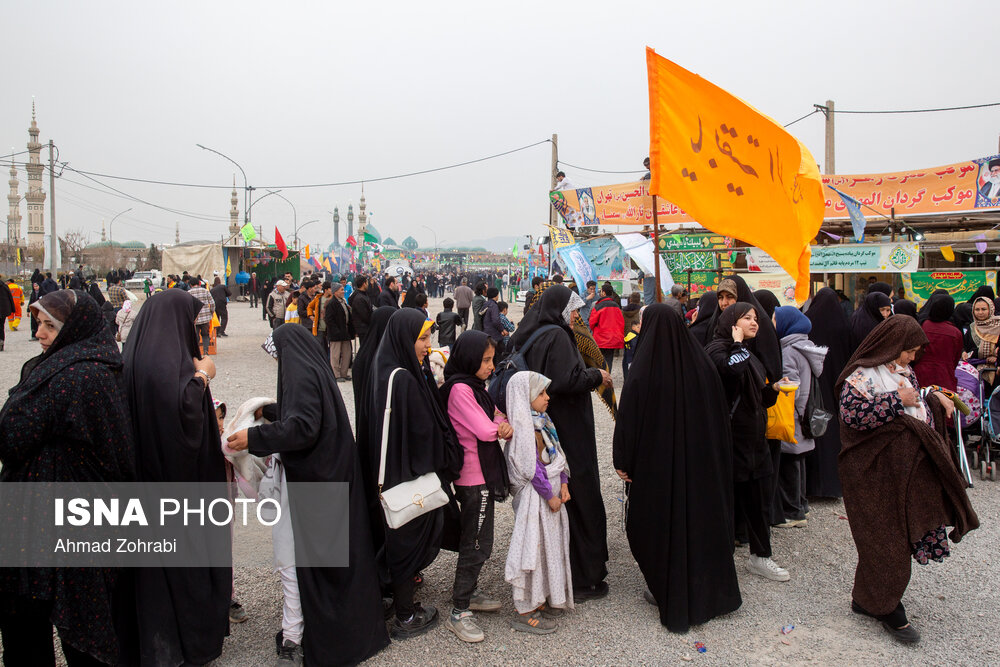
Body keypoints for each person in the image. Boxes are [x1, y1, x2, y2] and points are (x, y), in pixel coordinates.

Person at [226, 325, 390, 665]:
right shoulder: (312, 367)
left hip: (319, 479)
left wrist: (254, 439)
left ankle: (321, 636)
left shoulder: (300, 374)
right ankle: (339, 629)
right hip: (331, 472)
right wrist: (269, 412)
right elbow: (309, 412)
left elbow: (303, 425)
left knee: (315, 562)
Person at [0, 290, 134, 666]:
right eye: (38, 323)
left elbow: (11, 435)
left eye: (49, 325)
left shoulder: (78, 376)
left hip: (60, 523)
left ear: (74, 328)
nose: (39, 333)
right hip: (56, 518)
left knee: (72, 625)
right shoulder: (79, 365)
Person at [836, 315, 979, 644]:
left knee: (889, 537)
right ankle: (888, 609)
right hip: (872, 474)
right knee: (885, 540)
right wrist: (898, 401)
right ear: (893, 346)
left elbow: (914, 402)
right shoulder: (861, 376)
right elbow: (852, 415)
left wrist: (928, 398)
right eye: (910, 351)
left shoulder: (900, 371)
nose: (913, 358)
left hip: (899, 473)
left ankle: (866, 599)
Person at [117, 289, 231, 666]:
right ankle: (189, 642)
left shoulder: (135, 355)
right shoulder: (168, 364)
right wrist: (202, 375)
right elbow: (183, 421)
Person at [613, 304, 742, 632]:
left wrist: (623, 462)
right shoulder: (701, 366)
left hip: (659, 471)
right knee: (701, 525)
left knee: (660, 527)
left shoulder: (643, 371)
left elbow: (627, 421)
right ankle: (711, 592)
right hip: (702, 469)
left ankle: (669, 589)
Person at [512, 285, 612, 600]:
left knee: (558, 495)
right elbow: (566, 380)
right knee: (579, 494)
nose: (576, 316)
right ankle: (583, 575)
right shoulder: (555, 336)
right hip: (567, 428)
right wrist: (596, 375)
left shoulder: (533, 333)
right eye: (573, 309)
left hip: (547, 426)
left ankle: (558, 569)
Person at [368, 309, 462, 639]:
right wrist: (446, 459)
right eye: (422, 338)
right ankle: (406, 616)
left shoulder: (384, 369)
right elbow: (423, 432)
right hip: (410, 475)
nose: (427, 345)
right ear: (405, 339)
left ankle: (388, 598)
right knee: (407, 543)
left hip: (394, 471)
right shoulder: (404, 378)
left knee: (399, 541)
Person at [706, 302, 790, 582]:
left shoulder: (748, 354)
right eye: (747, 318)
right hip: (732, 442)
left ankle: (761, 556)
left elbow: (758, 396)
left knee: (759, 501)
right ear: (731, 323)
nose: (755, 323)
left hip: (755, 442)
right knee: (726, 503)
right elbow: (732, 372)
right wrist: (737, 342)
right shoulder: (718, 349)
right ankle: (719, 560)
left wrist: (774, 389)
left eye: (756, 318)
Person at [439, 331, 512, 643]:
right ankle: (459, 610)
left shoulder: (475, 387)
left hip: (481, 476)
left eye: (492, 359)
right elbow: (486, 429)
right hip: (472, 479)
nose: (491, 366)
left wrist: (500, 423)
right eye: (484, 360)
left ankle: (469, 591)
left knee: (482, 541)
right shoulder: (460, 390)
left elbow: (496, 416)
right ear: (468, 358)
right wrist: (501, 426)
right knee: (477, 543)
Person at [503, 371, 572, 634]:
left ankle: (541, 597)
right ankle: (525, 609)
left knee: (547, 551)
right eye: (541, 393)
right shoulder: (522, 432)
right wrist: (550, 496)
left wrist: (564, 482)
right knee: (531, 548)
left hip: (551, 503)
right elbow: (533, 469)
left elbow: (558, 454)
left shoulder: (544, 423)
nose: (547, 397)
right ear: (525, 397)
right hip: (539, 504)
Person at [774, 306, 827, 528]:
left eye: (776, 319)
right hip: (806, 413)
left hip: (793, 414)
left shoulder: (788, 350)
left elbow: (790, 386)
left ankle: (792, 512)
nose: (773, 323)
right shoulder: (807, 347)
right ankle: (802, 505)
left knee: (789, 464)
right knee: (799, 461)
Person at [803, 287, 852, 498]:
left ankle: (811, 486)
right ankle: (833, 486)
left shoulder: (808, 323)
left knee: (812, 431)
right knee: (832, 434)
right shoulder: (843, 326)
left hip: (812, 390)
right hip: (835, 386)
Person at [913, 293, 962, 392]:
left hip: (921, 374)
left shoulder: (922, 326)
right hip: (945, 376)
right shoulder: (955, 332)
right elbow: (956, 359)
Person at [965, 295, 1000, 390]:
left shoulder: (998, 325)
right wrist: (963, 352)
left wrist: (996, 357)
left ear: (990, 309)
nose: (980, 312)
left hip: (996, 373)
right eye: (977, 309)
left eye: (984, 309)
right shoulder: (972, 327)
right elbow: (965, 346)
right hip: (974, 373)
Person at [589, 283, 624, 372]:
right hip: (613, 338)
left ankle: (601, 380)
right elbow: (621, 323)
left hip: (600, 338)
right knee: (609, 360)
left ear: (603, 293)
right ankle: (607, 379)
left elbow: (592, 323)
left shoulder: (598, 306)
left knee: (599, 361)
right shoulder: (616, 306)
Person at [325, 280, 355, 382]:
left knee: (347, 353)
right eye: (341, 290)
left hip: (345, 332)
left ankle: (344, 373)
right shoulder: (331, 303)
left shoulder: (343, 302)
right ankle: (336, 375)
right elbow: (329, 320)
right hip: (336, 334)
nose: (343, 291)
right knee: (335, 355)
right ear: (335, 292)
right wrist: (336, 331)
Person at [187, 275, 216, 356]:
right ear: (199, 283)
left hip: (194, 319)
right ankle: (206, 351)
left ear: (190, 285)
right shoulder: (205, 291)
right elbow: (212, 303)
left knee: (195, 336)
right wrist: (211, 312)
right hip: (206, 318)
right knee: (205, 335)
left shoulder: (188, 293)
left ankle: (196, 352)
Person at [351, 275, 373, 342]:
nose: (368, 284)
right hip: (363, 328)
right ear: (364, 284)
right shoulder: (359, 298)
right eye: (367, 282)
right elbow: (364, 315)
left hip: (365, 327)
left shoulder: (363, 295)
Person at [0, 277, 15, 352]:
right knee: (1, 326)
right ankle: (1, 341)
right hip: (3, 310)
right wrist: (13, 309)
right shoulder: (5, 286)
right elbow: (10, 298)